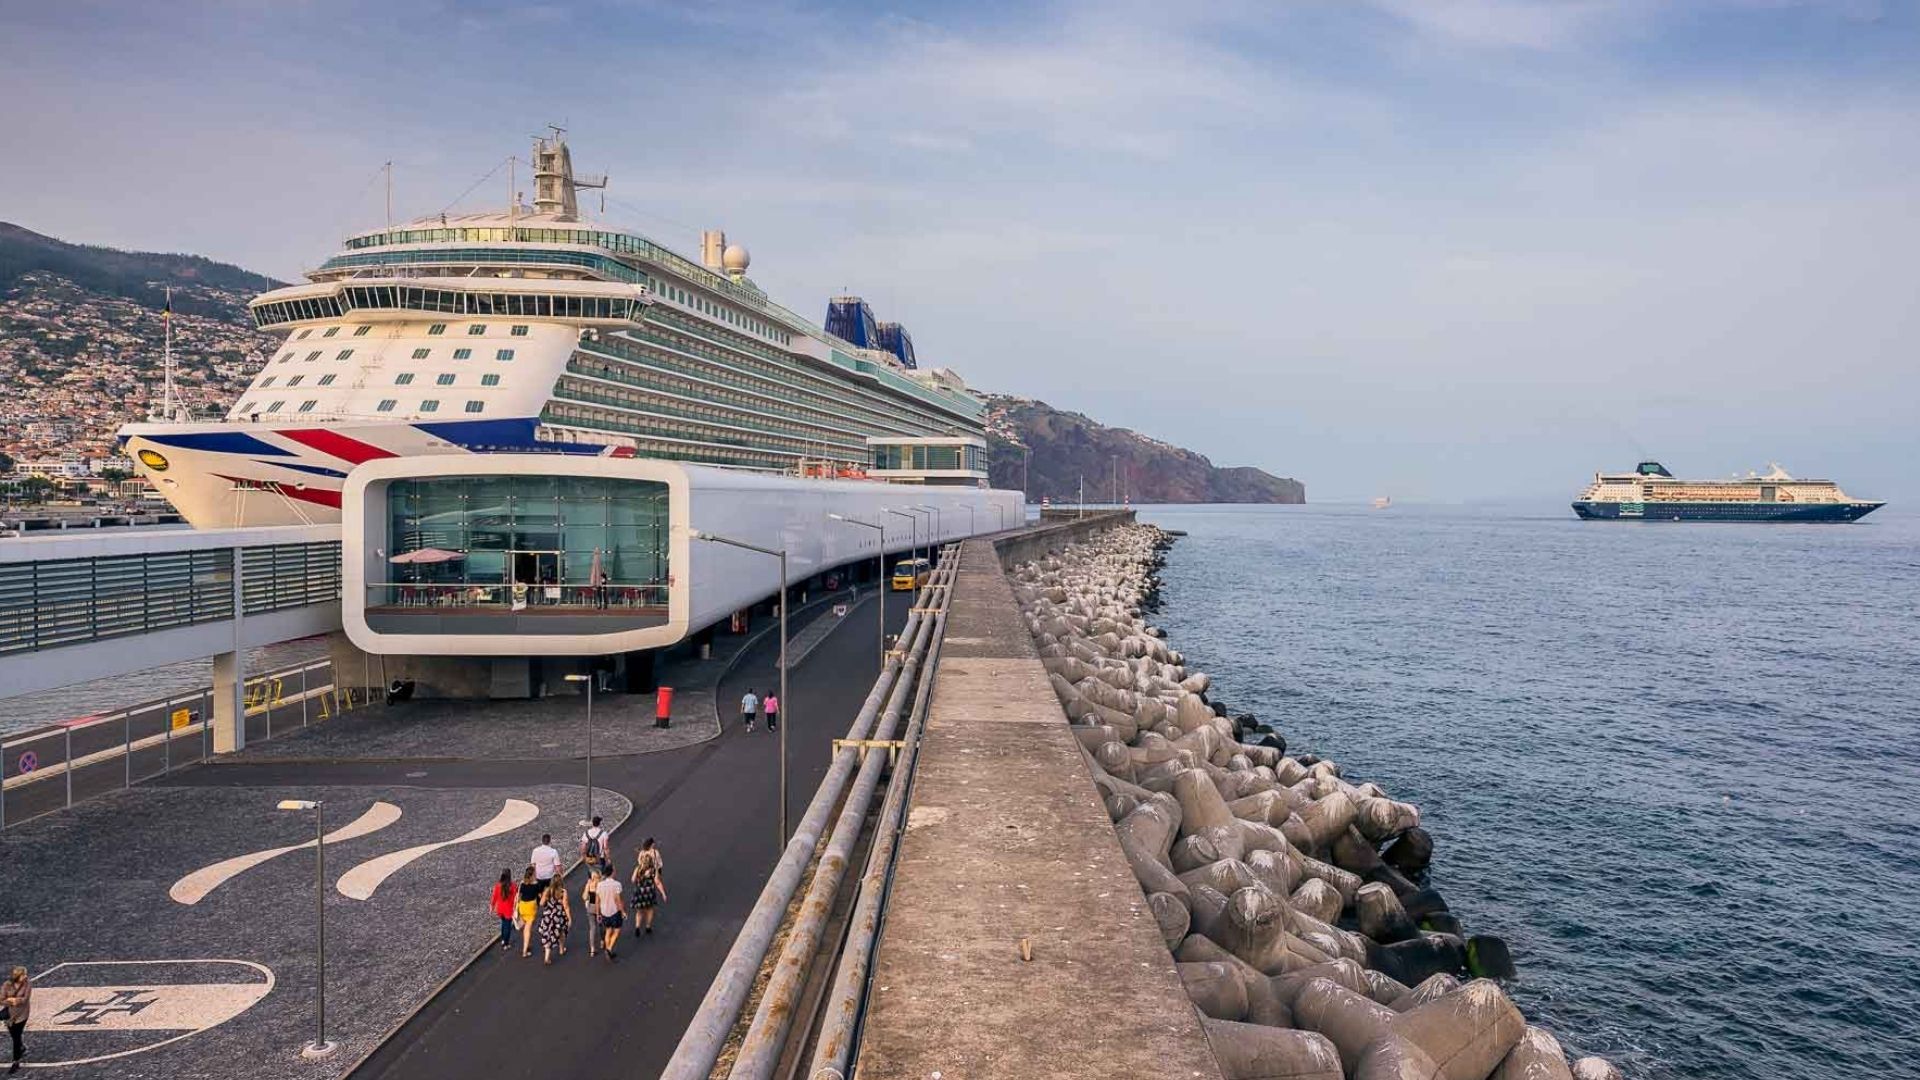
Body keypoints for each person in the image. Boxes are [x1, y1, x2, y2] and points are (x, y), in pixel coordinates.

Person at [631, 838, 667, 935]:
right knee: (649, 909)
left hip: (639, 891)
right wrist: (663, 893)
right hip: (649, 890)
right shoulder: (655, 855)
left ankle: (637, 927)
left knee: (639, 911)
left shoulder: (638, 866)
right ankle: (648, 926)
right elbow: (658, 881)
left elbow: (633, 879)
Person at [594, 867, 626, 961]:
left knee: (608, 930)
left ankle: (608, 949)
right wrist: (623, 912)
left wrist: (598, 913)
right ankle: (609, 949)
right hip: (614, 911)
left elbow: (597, 901)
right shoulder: (617, 884)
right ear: (612, 873)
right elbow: (618, 900)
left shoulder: (599, 885)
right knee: (616, 931)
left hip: (604, 912)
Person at [536, 878, 570, 965]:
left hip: (548, 916)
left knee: (549, 935)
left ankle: (547, 956)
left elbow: (541, 903)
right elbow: (565, 906)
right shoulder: (563, 892)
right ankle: (561, 949)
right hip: (559, 916)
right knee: (561, 931)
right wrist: (569, 918)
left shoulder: (548, 890)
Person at [2, 966, 27, 1074]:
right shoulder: (8, 985)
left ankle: (16, 1061)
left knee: (16, 1036)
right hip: (10, 1013)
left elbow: (24, 1000)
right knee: (14, 1034)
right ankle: (21, 1047)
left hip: (21, 1014)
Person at [515, 866, 541, 958]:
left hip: (522, 906)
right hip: (531, 907)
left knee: (525, 927)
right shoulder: (536, 884)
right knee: (528, 929)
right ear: (533, 874)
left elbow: (519, 897)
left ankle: (528, 944)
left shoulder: (522, 883)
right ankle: (525, 950)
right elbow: (539, 896)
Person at [489, 869, 516, 950]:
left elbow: (494, 897)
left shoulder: (497, 886)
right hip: (509, 910)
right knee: (507, 926)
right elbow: (515, 898)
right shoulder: (513, 886)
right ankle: (506, 943)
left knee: (503, 924)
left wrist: (492, 907)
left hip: (500, 909)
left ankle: (503, 939)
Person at [582, 865, 605, 958]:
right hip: (600, 908)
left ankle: (592, 949)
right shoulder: (601, 884)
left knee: (592, 928)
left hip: (591, 908)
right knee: (601, 925)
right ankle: (603, 941)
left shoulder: (589, 885)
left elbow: (584, 897)